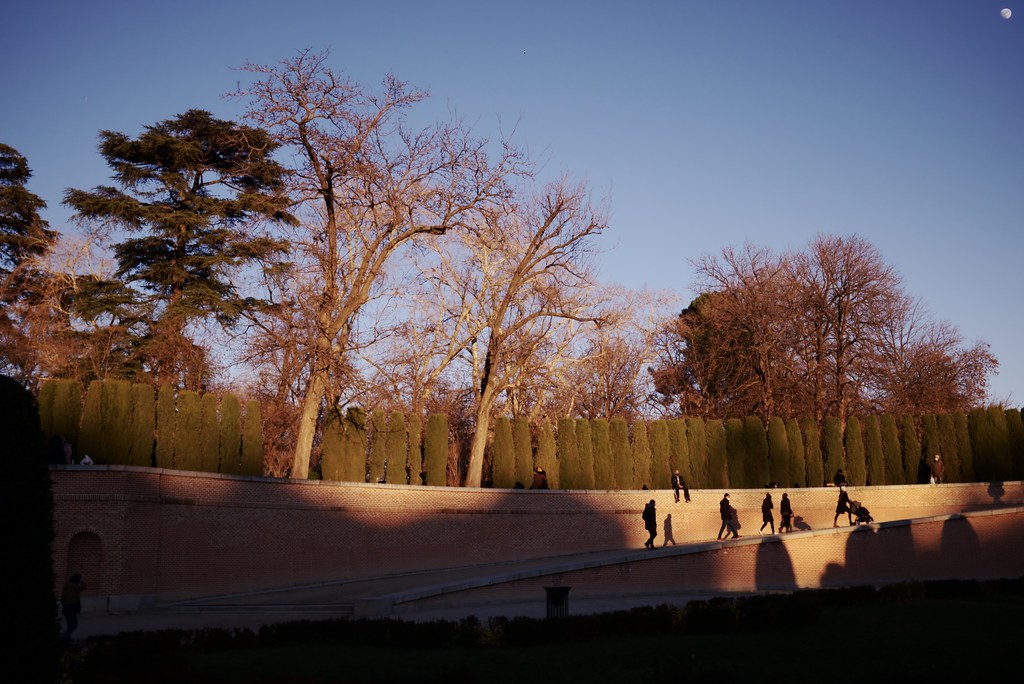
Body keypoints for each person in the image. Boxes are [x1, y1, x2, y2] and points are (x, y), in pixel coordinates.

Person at [60, 573, 87, 641]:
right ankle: (64, 636)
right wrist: (82, 581)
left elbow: (62, 598)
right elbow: (84, 587)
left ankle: (67, 639)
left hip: (66, 607)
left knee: (69, 625)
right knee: (74, 625)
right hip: (72, 608)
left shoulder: (66, 585)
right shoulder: (74, 586)